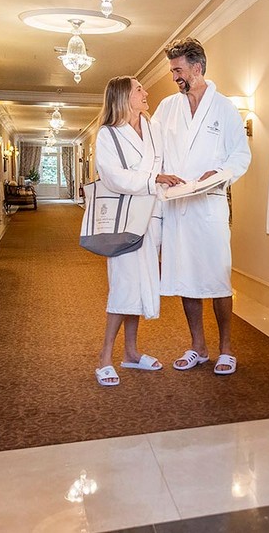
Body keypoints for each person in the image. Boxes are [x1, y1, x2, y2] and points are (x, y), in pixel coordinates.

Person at [156, 38, 251, 375]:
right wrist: (156, 175)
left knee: (218, 277)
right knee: (186, 278)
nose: (174, 77)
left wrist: (220, 172)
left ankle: (226, 348)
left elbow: (241, 155)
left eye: (178, 70)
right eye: (172, 71)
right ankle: (198, 346)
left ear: (197, 68)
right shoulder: (167, 107)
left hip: (209, 205)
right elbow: (154, 150)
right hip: (177, 205)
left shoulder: (224, 109)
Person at [94, 75, 182, 386]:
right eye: (139, 89)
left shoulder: (152, 127)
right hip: (124, 219)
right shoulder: (108, 134)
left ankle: (130, 352)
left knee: (140, 285)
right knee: (123, 286)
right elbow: (112, 176)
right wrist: (151, 179)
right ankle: (104, 357)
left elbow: (165, 165)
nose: (146, 93)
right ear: (123, 97)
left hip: (152, 216)